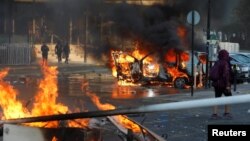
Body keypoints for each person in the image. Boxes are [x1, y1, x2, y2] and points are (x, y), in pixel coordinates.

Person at [210, 49, 233, 120]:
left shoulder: (217, 62)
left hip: (217, 83)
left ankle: (214, 114)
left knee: (217, 98)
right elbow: (226, 75)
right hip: (223, 84)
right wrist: (227, 85)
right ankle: (227, 113)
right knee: (229, 98)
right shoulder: (225, 63)